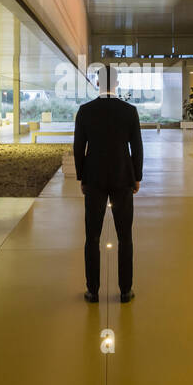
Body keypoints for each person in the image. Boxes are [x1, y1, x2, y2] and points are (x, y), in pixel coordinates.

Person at [73, 67, 143, 302]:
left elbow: (78, 148)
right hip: (123, 178)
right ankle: (125, 290)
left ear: (97, 83)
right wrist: (137, 177)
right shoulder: (129, 111)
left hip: (94, 179)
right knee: (125, 237)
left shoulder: (85, 111)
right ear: (117, 83)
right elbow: (137, 148)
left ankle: (93, 291)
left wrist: (81, 176)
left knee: (92, 237)